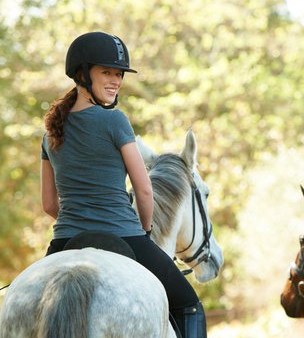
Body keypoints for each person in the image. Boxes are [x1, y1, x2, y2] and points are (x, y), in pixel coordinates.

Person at [40, 31, 205, 338]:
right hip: (125, 235)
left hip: (64, 241)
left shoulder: (50, 133)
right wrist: (144, 231)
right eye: (107, 72)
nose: (116, 81)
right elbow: (144, 190)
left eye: (119, 75)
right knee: (189, 304)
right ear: (82, 74)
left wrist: (79, 220)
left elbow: (49, 205)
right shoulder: (115, 121)